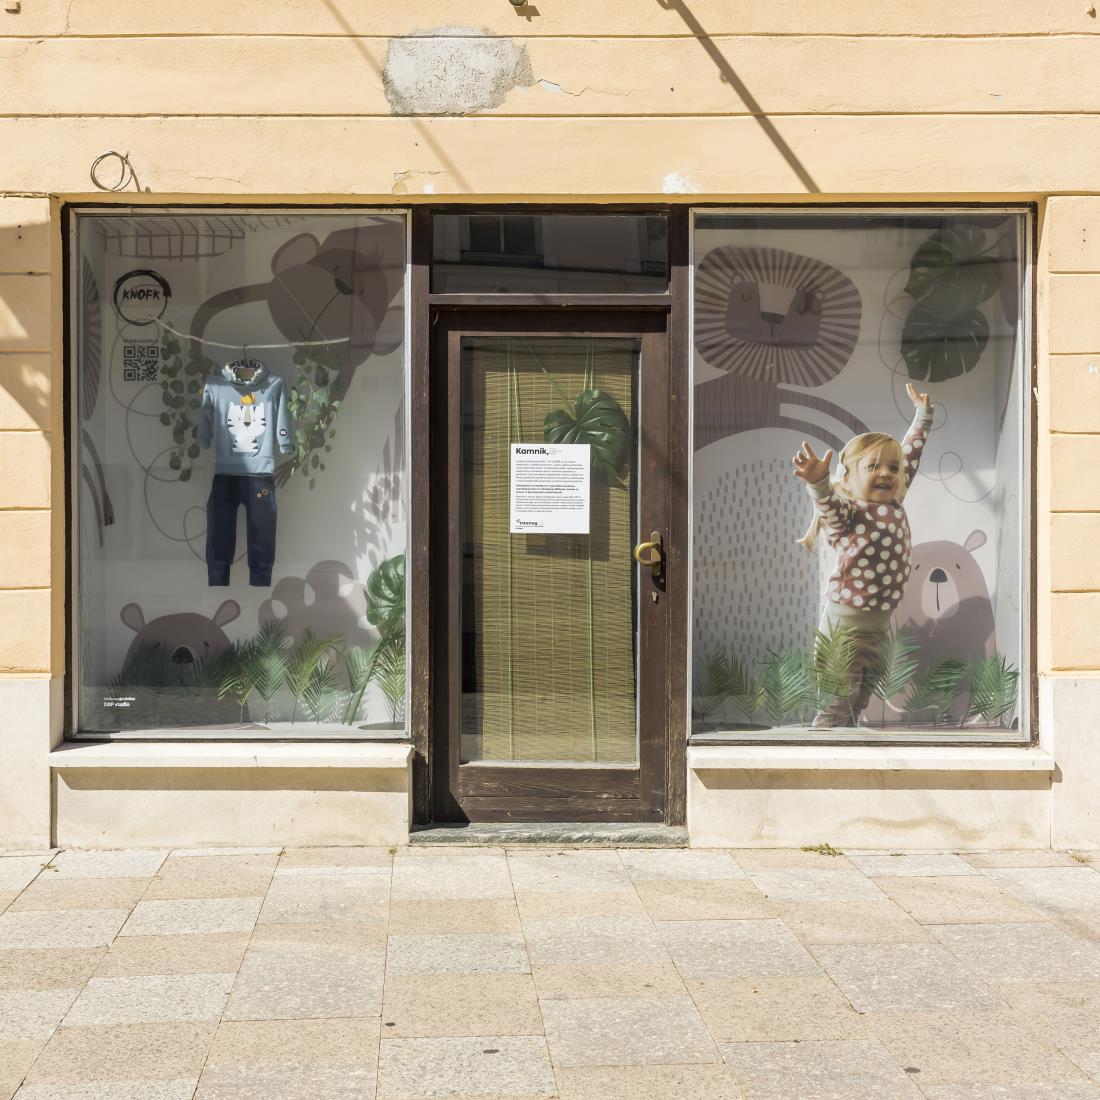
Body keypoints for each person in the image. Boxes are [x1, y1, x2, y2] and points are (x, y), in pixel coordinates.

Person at [792, 382, 934, 728]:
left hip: (879, 627)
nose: (886, 473)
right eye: (873, 467)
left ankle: (848, 737)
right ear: (850, 479)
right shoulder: (848, 514)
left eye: (892, 469)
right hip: (846, 628)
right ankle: (826, 744)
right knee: (838, 701)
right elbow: (828, 504)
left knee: (863, 696)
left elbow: (910, 455)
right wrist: (818, 483)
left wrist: (923, 417)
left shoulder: (894, 502)